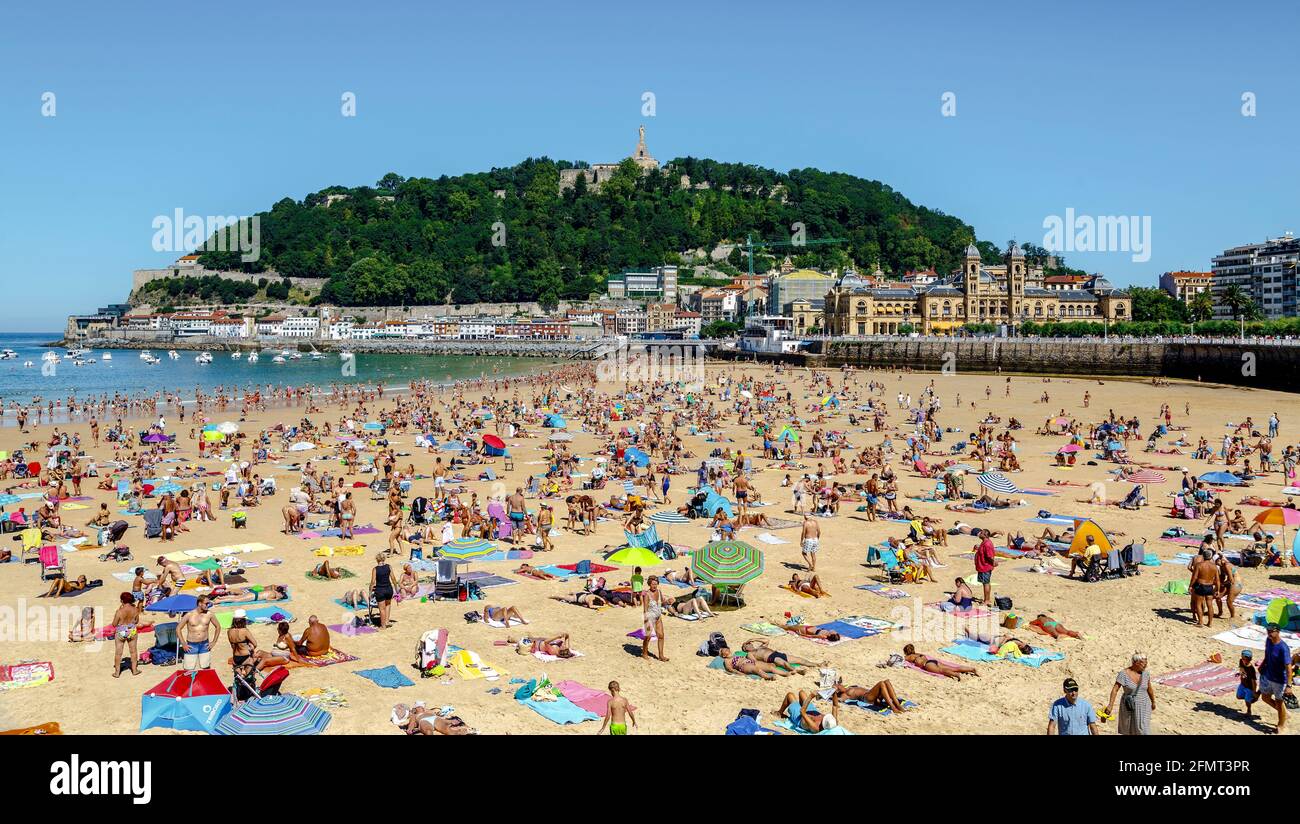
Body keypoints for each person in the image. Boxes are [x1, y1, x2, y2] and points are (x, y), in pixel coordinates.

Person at [1106, 652, 1155, 735]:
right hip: (1129, 705)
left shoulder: (1145, 674)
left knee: (1143, 730)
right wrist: (1110, 705)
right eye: (1144, 664)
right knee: (1129, 729)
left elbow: (1149, 688)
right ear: (1136, 663)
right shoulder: (1123, 674)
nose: (1145, 666)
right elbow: (1115, 689)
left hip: (1144, 704)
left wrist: (1153, 701)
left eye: (1146, 663)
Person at [1258, 623, 1291, 733]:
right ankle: (1284, 714)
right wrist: (1262, 665)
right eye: (1268, 631)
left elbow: (1288, 667)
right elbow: (1267, 655)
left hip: (1280, 680)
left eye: (1271, 631)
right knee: (1265, 697)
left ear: (1278, 632)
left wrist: (1289, 686)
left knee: (1279, 702)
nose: (1269, 633)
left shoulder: (1283, 648)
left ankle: (1281, 724)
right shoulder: (1268, 641)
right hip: (1268, 675)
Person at [178, 594, 219, 671]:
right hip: (191, 645)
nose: (208, 605)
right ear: (200, 603)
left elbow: (218, 627)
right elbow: (178, 628)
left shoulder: (209, 614)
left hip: (205, 644)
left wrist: (214, 641)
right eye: (206, 603)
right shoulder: (189, 615)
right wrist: (183, 643)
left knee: (206, 667)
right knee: (188, 669)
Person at [775, 690, 841, 733]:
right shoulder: (833, 722)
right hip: (813, 711)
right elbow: (835, 706)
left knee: (790, 695)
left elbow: (802, 712)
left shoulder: (816, 727)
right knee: (802, 693)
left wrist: (811, 697)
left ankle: (780, 712)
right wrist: (834, 692)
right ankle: (799, 705)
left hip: (800, 717)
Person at [902, 643, 979, 680]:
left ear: (906, 651)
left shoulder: (909, 657)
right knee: (953, 667)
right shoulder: (918, 654)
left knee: (941, 671)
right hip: (932, 661)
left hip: (927, 664)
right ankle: (971, 669)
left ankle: (956, 675)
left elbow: (903, 660)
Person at [109, 592, 141, 678]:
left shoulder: (119, 611)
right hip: (132, 630)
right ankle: (134, 670)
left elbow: (114, 624)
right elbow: (137, 621)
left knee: (118, 653)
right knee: (133, 651)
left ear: (122, 600)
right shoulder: (136, 610)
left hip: (121, 631)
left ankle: (117, 673)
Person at [833, 679, 908, 714]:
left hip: (872, 694)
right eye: (838, 686)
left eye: (839, 684)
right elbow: (839, 700)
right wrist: (834, 694)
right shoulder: (844, 694)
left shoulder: (849, 687)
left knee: (887, 682)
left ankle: (897, 704)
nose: (839, 685)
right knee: (881, 683)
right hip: (867, 698)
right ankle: (893, 707)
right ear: (837, 691)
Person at [718, 645, 790, 680]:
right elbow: (730, 669)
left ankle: (785, 673)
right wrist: (740, 674)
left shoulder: (735, 655)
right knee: (756, 670)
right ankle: (768, 677)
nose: (728, 650)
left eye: (728, 649)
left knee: (770, 667)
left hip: (750, 661)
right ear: (724, 655)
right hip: (744, 666)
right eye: (726, 651)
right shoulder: (726, 660)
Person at [641, 575, 668, 662]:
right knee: (648, 637)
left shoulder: (659, 591)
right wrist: (646, 619)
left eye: (656, 584)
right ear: (649, 584)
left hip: (658, 616)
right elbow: (645, 608)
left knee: (661, 636)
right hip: (650, 617)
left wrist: (667, 601)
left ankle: (661, 655)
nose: (654, 586)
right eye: (653, 584)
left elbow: (662, 603)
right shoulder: (647, 594)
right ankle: (644, 653)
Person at [370, 553, 395, 629]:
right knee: (388, 605)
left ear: (377, 560)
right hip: (388, 588)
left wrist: (370, 592)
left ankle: (383, 625)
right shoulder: (389, 567)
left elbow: (373, 582)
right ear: (384, 559)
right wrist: (396, 588)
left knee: (381, 608)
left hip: (380, 590)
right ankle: (387, 621)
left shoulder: (375, 569)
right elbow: (393, 578)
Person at [973, 529, 996, 604]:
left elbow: (989, 556)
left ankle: (987, 600)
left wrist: (993, 563)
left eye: (981, 533)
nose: (979, 534)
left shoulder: (987, 544)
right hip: (983, 566)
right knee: (986, 583)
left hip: (985, 567)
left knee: (985, 583)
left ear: (985, 535)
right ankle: (987, 599)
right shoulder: (985, 542)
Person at [1238, 649, 1258, 721]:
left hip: (1249, 687)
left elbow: (1254, 682)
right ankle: (1251, 699)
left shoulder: (1251, 669)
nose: (1245, 661)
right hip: (1243, 684)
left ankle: (1249, 711)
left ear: (1250, 659)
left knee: (1247, 701)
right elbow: (1241, 668)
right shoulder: (1241, 661)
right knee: (1238, 696)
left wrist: (1254, 691)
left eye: (1247, 659)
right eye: (1243, 659)